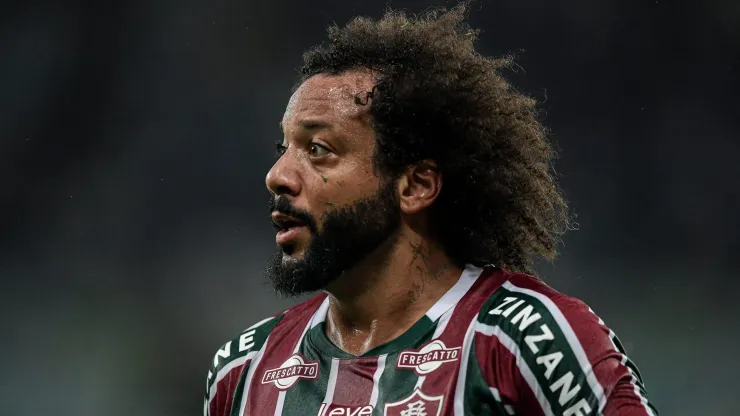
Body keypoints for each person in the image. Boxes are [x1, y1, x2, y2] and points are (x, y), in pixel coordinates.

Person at [203, 4, 659, 415]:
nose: (277, 175)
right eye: (284, 148)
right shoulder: (244, 369)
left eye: (318, 149)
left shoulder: (526, 340)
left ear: (415, 185)